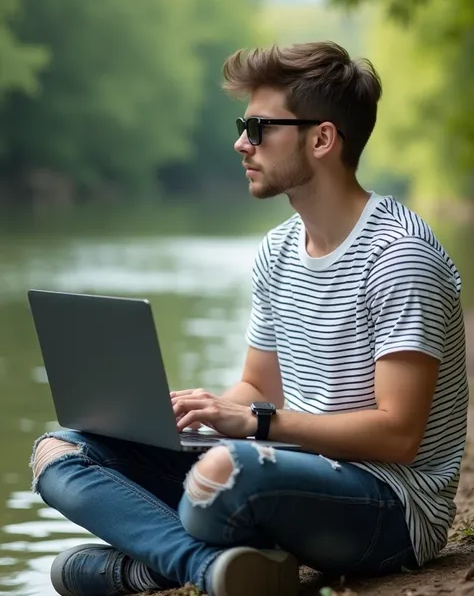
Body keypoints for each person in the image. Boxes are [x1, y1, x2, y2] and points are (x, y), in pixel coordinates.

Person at [31, 41, 468, 596]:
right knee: (64, 449)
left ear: (322, 138)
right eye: (244, 125)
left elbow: (398, 434)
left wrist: (257, 425)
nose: (242, 143)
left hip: (392, 506)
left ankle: (148, 568)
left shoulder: (400, 255)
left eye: (259, 127)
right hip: (290, 468)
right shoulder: (278, 249)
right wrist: (198, 410)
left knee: (224, 474)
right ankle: (208, 568)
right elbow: (259, 386)